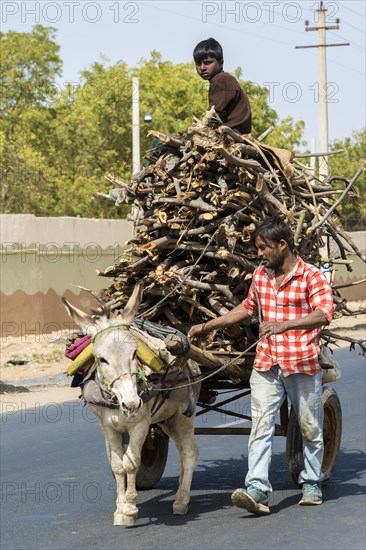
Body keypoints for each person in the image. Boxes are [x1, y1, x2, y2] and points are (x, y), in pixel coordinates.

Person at [188, 215, 334, 515]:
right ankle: (257, 488)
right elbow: (247, 308)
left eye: (263, 248)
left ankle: (311, 481)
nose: (259, 254)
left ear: (283, 245)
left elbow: (324, 313)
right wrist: (208, 325)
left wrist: (286, 325)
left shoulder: (312, 276)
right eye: (258, 249)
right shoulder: (261, 275)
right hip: (267, 362)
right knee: (261, 425)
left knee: (309, 427)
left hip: (301, 363)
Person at [193, 38, 252, 135]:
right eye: (198, 64)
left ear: (221, 63)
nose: (202, 68)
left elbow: (214, 115)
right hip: (234, 133)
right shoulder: (222, 79)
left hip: (229, 135)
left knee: (161, 142)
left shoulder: (221, 79)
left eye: (208, 62)